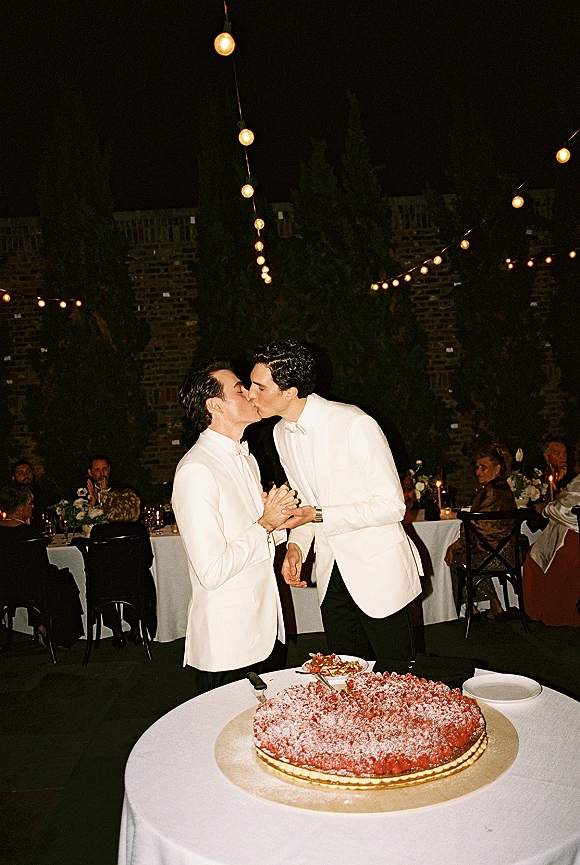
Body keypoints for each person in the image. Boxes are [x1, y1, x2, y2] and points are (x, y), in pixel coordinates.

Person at [248, 341, 422, 664]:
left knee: (399, 680)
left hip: (378, 572)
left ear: (290, 392)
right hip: (332, 575)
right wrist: (297, 547)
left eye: (260, 387)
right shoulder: (280, 434)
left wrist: (320, 514)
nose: (250, 394)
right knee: (347, 681)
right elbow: (304, 502)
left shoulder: (354, 424)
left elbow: (393, 506)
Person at [172, 359, 298, 694]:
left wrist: (284, 524)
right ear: (214, 405)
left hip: (264, 630)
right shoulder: (196, 470)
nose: (252, 394)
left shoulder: (246, 458)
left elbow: (258, 530)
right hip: (230, 643)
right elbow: (211, 570)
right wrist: (265, 524)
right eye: (240, 390)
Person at [0, 484, 84, 648]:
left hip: (5, 587)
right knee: (61, 579)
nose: (33, 507)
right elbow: (40, 566)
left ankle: (41, 626)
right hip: (31, 588)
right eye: (29, 504)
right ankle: (53, 631)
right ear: (20, 508)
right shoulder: (30, 535)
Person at [445, 443, 517, 620]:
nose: (478, 472)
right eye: (477, 467)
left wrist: (454, 546)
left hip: (501, 556)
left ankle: (472, 609)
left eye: (483, 467)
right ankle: (494, 605)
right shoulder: (503, 490)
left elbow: (476, 526)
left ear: (497, 468)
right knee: (469, 556)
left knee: (459, 560)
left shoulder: (492, 492)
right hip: (509, 553)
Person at [87, 489, 157, 647]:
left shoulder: (98, 531)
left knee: (100, 582)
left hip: (107, 586)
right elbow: (147, 560)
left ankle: (116, 630)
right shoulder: (138, 530)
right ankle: (134, 627)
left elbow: (94, 564)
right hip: (133, 584)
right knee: (140, 579)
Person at [522, 443, 580, 627]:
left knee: (541, 556)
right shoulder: (535, 472)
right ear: (546, 456)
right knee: (535, 553)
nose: (563, 457)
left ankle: (549, 614)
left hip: (572, 534)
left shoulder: (574, 477)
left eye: (565, 453)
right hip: (561, 529)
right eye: (557, 453)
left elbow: (566, 508)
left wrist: (546, 509)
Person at [10, 459, 57, 531]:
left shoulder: (44, 495)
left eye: (28, 471)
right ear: (14, 477)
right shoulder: (11, 498)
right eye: (21, 473)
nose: (26, 475)